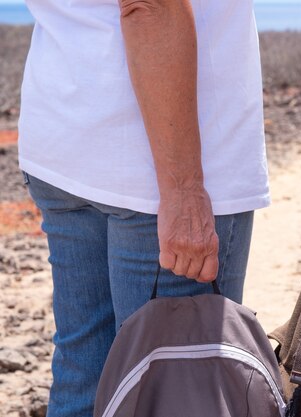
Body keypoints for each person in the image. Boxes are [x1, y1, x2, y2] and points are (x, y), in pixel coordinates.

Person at [18, 1, 269, 416]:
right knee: (172, 392)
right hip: (152, 178)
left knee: (83, 377)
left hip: (64, 142)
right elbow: (150, 6)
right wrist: (183, 190)